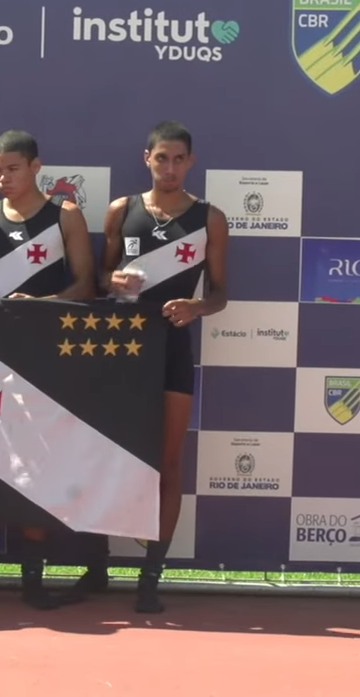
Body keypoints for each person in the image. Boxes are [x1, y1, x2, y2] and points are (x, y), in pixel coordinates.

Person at [82, 120, 229, 613]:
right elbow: (99, 277)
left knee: (167, 462)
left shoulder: (210, 218)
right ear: (147, 158)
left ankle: (150, 580)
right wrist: (113, 281)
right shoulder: (122, 210)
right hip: (119, 349)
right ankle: (96, 568)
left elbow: (220, 293)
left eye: (178, 159)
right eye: (161, 158)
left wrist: (196, 307)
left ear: (191, 162)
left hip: (172, 348)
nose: (169, 168)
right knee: (105, 455)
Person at [0, 129, 96, 610]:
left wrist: (39, 305)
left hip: (43, 354)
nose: (3, 178)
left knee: (37, 461)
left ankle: (33, 584)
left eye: (13, 169)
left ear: (36, 167)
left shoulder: (64, 215)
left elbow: (85, 286)